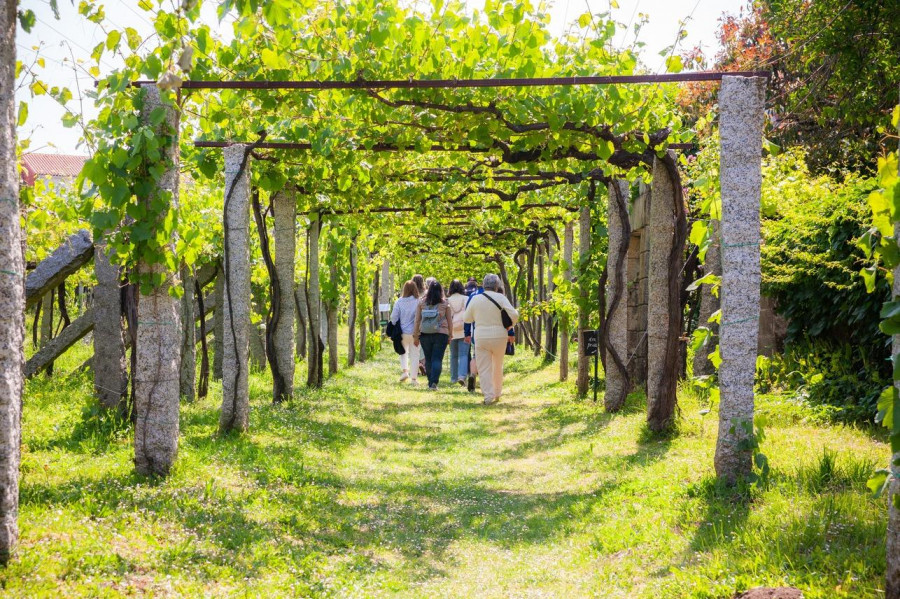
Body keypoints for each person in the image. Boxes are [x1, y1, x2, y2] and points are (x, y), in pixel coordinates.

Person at [463, 274, 519, 405]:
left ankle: (488, 396)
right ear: (496, 286)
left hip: (481, 336)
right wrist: (510, 325)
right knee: (498, 365)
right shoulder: (501, 298)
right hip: (500, 336)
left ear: (483, 285)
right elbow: (514, 314)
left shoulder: (475, 299)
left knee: (484, 368)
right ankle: (497, 392)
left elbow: (467, 318)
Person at [413, 280, 452, 390]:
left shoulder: (421, 303)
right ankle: (434, 382)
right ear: (440, 291)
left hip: (425, 334)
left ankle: (431, 382)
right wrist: (450, 335)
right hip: (441, 334)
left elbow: (417, 320)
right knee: (437, 359)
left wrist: (415, 336)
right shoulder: (445, 303)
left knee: (428, 358)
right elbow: (450, 321)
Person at [389, 280, 422, 384]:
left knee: (403, 353)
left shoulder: (399, 301)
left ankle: (405, 371)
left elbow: (393, 317)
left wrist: (395, 324)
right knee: (415, 355)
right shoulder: (418, 301)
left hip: (402, 332)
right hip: (415, 332)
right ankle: (414, 378)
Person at [447, 279, 470, 385]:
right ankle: (462, 376)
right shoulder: (466, 299)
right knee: (464, 354)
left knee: (453, 355)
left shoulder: (447, 300)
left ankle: (453, 378)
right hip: (464, 330)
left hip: (452, 331)